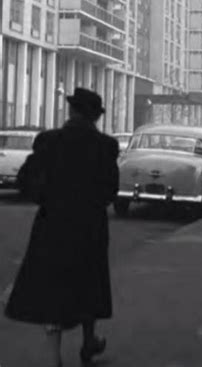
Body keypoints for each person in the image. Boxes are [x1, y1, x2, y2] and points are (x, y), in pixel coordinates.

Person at [5, 87, 119, 367]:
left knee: (51, 292)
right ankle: (88, 343)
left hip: (52, 227)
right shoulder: (105, 146)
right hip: (90, 228)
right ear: (95, 116)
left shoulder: (48, 141)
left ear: (71, 111)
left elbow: (25, 180)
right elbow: (110, 190)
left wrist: (48, 201)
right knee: (88, 286)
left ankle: (54, 359)